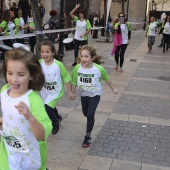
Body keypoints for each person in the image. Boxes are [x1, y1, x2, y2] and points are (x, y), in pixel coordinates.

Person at [0, 48, 52, 169]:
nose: (14, 79)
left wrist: (30, 117)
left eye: (21, 74)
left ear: (31, 75)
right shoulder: (4, 90)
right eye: (10, 73)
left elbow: (42, 135)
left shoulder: (33, 100)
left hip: (31, 161)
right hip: (7, 158)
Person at [71, 45, 118, 147]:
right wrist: (71, 92)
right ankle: (90, 119)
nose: (83, 59)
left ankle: (88, 136)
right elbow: (74, 81)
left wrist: (113, 88)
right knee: (85, 113)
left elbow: (106, 78)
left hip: (95, 94)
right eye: (82, 56)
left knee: (90, 114)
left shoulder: (98, 69)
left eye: (86, 56)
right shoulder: (77, 68)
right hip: (84, 94)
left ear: (92, 58)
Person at [39, 41, 75, 135]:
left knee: (46, 107)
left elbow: (66, 78)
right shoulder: (39, 63)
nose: (44, 54)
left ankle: (55, 121)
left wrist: (70, 92)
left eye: (47, 52)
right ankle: (58, 116)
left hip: (56, 91)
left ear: (53, 53)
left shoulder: (58, 65)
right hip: (44, 91)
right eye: (42, 52)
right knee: (50, 106)